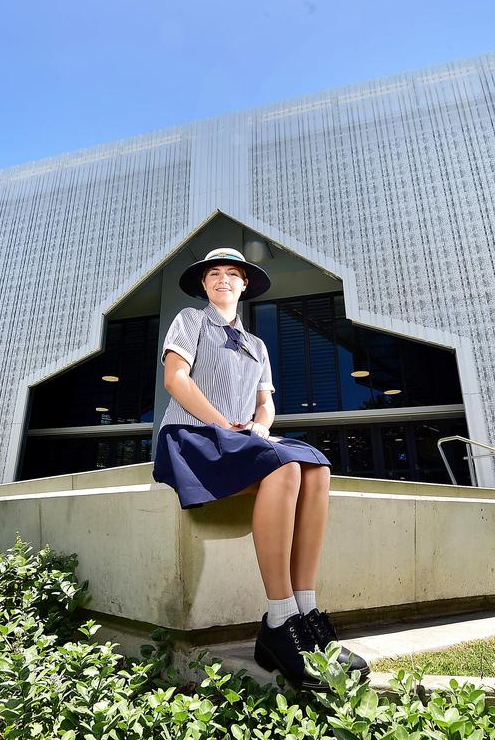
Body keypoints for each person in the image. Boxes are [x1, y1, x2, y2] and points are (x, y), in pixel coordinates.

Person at [153, 247, 370, 690]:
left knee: (316, 466)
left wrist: (258, 427)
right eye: (214, 274)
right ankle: (279, 619)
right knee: (286, 467)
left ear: (244, 284)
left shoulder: (257, 345)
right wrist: (226, 426)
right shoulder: (189, 321)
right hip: (193, 437)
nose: (223, 280)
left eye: (233, 274)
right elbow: (176, 380)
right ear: (204, 284)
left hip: (240, 440)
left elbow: (265, 404)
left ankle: (306, 615)